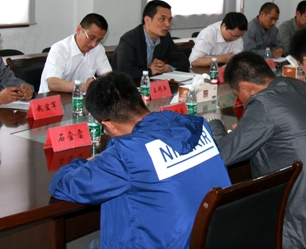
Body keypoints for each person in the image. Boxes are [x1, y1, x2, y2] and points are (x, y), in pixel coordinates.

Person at [49, 72, 231, 248]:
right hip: (217, 236)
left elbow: (64, 186)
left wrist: (85, 163)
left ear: (108, 124)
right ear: (141, 100)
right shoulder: (198, 125)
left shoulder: (126, 153)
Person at [207, 52, 306, 249]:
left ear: (246, 88)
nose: (241, 100)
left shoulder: (264, 103)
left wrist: (214, 124)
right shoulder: (302, 87)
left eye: (238, 95)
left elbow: (223, 154)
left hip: (305, 220)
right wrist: (248, 130)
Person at [111, 0, 190, 79]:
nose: (168, 24)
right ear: (147, 20)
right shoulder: (129, 40)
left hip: (151, 83)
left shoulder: (165, 37)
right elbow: (124, 72)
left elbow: (184, 61)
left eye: (169, 20)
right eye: (162, 19)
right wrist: (150, 71)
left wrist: (165, 68)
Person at [39, 13, 112, 93]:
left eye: (99, 40)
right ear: (79, 30)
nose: (93, 44)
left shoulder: (98, 49)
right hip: (53, 98)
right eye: (91, 38)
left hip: (80, 98)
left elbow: (108, 76)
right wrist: (82, 87)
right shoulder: (60, 49)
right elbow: (53, 83)